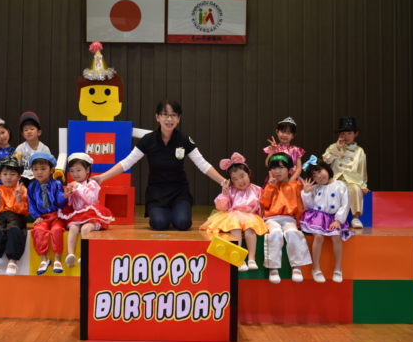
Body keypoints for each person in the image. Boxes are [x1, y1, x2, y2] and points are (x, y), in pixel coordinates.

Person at [92, 99, 227, 231]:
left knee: (182, 224)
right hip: (156, 192)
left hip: (179, 191)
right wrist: (103, 177)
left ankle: (176, 212)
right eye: (165, 115)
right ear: (157, 117)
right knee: (160, 224)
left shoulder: (184, 139)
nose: (169, 119)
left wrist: (223, 181)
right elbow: (127, 162)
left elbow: (202, 164)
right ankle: (163, 214)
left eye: (174, 115)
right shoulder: (148, 140)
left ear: (179, 118)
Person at [200, 153, 267, 272]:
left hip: (251, 217)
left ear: (249, 173)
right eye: (235, 179)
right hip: (234, 215)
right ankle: (238, 258)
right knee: (235, 228)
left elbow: (261, 206)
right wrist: (225, 194)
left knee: (250, 230)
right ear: (231, 181)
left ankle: (252, 258)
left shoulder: (257, 190)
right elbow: (222, 207)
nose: (240, 181)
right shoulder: (231, 190)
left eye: (242, 176)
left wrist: (263, 218)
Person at [260, 152, 312, 284]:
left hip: (289, 219)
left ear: (290, 170)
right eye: (274, 168)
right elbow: (264, 203)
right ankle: (273, 267)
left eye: (281, 167)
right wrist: (270, 187)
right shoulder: (269, 185)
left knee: (293, 232)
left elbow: (300, 205)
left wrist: (300, 223)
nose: (277, 171)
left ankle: (297, 266)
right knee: (275, 233)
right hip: (271, 219)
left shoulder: (296, 185)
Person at [300, 156, 354, 283]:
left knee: (336, 237)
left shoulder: (341, 185)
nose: (318, 177)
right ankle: (316, 268)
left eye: (319, 171)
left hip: (333, 218)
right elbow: (308, 206)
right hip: (317, 217)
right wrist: (306, 193)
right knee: (318, 236)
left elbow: (345, 204)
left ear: (326, 168)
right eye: (314, 176)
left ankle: (338, 268)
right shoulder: (316, 188)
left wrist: (338, 220)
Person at [59, 153, 114, 268]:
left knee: (85, 228)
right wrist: (67, 195)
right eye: (72, 171)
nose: (75, 174)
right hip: (77, 216)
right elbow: (70, 204)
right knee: (73, 228)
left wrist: (77, 187)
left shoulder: (92, 183)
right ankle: (70, 255)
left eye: (78, 170)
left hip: (92, 216)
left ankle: (86, 255)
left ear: (87, 169)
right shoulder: (72, 185)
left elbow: (90, 198)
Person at [0, 156, 28, 277]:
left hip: (17, 216)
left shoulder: (22, 189)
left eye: (12, 174)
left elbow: (23, 210)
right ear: (0, 175)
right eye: (5, 174)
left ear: (19, 177)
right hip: (0, 216)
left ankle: (13, 261)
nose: (8, 177)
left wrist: (18, 196)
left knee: (14, 229)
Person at [323, 117, 369, 229]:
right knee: (332, 189)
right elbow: (326, 160)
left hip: (352, 180)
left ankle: (355, 218)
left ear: (355, 134)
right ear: (339, 134)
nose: (346, 136)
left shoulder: (360, 151)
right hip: (335, 179)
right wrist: (337, 148)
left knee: (355, 189)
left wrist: (363, 185)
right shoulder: (333, 147)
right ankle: (330, 217)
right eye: (343, 133)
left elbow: (362, 169)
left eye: (349, 133)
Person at [28, 153, 68, 275]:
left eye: (43, 169)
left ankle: (57, 258)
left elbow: (60, 203)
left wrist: (65, 196)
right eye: (36, 169)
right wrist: (36, 216)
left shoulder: (56, 184)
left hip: (56, 216)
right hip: (42, 217)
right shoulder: (32, 186)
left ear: (51, 170)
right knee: (38, 230)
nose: (39, 172)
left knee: (56, 230)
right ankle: (44, 259)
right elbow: (31, 203)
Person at [263, 117, 305, 184]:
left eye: (288, 133)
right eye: (282, 132)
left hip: (292, 179)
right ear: (277, 132)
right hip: (275, 180)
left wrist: (290, 181)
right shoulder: (273, 148)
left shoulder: (296, 150)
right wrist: (272, 150)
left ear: (293, 135)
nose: (285, 135)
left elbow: (298, 169)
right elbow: (268, 164)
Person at [14, 111, 51, 187]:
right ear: (23, 134)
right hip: (23, 177)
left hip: (39, 176)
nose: (29, 131)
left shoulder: (45, 149)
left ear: (39, 132)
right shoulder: (20, 148)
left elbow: (49, 166)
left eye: (32, 129)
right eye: (25, 130)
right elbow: (15, 164)